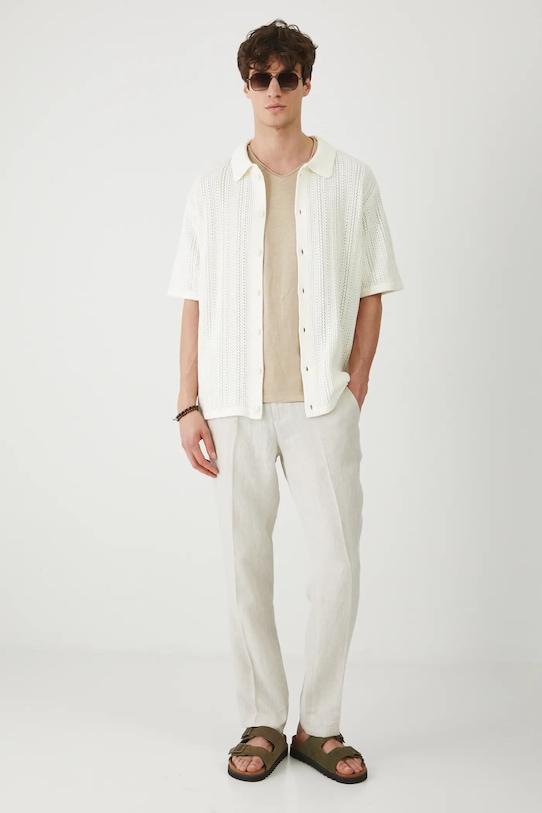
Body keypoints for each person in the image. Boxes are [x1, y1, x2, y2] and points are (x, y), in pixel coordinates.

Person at [167, 18, 403, 784]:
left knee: (337, 563)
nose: (274, 90)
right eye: (260, 77)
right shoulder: (212, 187)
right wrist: (187, 403)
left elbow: (373, 287)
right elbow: (193, 298)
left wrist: (355, 382)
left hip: (320, 404)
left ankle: (319, 724)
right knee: (247, 567)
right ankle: (263, 718)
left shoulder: (350, 180)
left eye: (287, 76)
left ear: (307, 83)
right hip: (233, 403)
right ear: (245, 86)